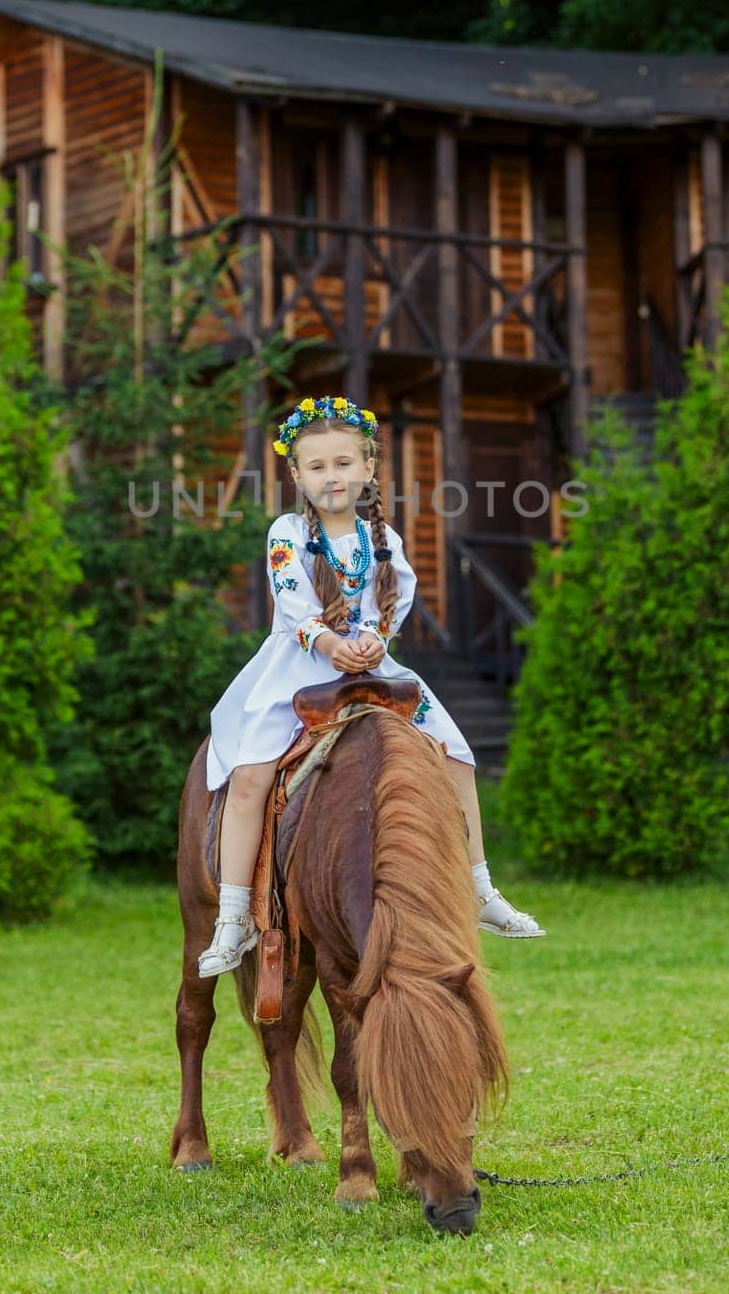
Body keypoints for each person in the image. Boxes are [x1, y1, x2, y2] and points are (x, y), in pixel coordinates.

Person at [198, 394, 547, 977]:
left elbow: (394, 600)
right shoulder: (286, 532)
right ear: (296, 474)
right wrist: (332, 643)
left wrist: (377, 641)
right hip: (300, 665)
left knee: (456, 756)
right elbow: (290, 598)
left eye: (342, 464)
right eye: (317, 467)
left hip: (372, 666)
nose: (330, 477)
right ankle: (235, 914)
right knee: (251, 771)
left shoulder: (381, 538)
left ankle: (478, 886)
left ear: (367, 469)